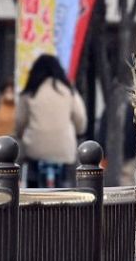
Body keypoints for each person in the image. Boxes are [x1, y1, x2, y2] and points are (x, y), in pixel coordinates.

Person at [15, 54, 86, 187]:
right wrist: (79, 132)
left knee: (31, 178)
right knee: (70, 180)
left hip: (35, 149)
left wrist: (19, 134)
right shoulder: (68, 91)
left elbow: (20, 121)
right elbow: (80, 118)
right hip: (64, 150)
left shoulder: (30, 92)